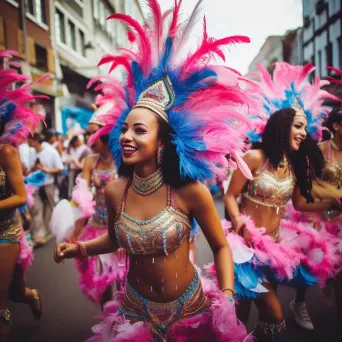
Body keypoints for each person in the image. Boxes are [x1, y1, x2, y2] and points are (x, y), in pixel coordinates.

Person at [54, 1, 259, 340]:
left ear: (162, 142)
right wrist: (81, 248)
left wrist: (226, 295)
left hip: (189, 311)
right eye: (124, 129)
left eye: (139, 130)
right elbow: (115, 238)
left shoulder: (189, 191)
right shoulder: (115, 190)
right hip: (134, 313)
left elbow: (221, 247)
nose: (126, 137)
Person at [222, 62, 342, 341]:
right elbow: (230, 195)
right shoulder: (255, 158)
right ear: (282, 125)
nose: (304, 132)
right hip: (244, 249)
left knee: (266, 317)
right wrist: (239, 221)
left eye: (305, 127)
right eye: (298, 126)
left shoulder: (293, 164)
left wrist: (333, 203)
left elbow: (301, 204)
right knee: (247, 316)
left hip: (273, 248)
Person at [52, 107, 125, 306]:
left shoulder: (124, 160)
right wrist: (76, 233)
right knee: (101, 286)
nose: (90, 137)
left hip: (120, 230)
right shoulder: (89, 161)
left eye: (94, 132)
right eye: (88, 133)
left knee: (123, 285)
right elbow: (82, 198)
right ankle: (107, 326)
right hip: (95, 229)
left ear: (106, 133)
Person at [0, 50, 43, 341]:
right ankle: (29, 295)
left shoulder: (6, 151)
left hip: (4, 232)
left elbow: (19, 196)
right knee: (16, 292)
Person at [28, 133, 64, 246]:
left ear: (35, 141)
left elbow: (60, 168)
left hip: (48, 184)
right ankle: (39, 234)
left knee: (49, 207)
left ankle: (47, 229)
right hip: (35, 185)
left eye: (29, 140)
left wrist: (47, 170)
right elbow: (28, 170)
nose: (27, 142)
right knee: (36, 208)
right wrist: (34, 168)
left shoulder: (51, 151)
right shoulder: (31, 152)